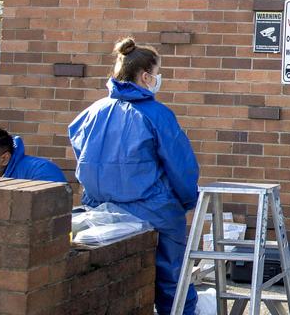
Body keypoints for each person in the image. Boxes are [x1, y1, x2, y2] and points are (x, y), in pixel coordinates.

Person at [68, 38, 200, 315]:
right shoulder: (156, 115)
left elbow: (83, 158)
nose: (158, 79)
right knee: (172, 282)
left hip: (101, 212)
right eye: (156, 73)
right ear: (145, 76)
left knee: (113, 281)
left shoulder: (92, 113)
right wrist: (188, 201)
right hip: (155, 212)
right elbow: (181, 166)